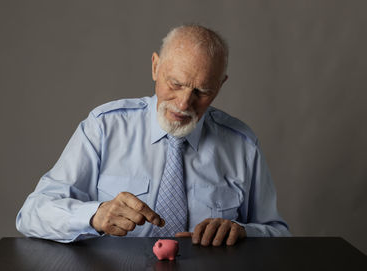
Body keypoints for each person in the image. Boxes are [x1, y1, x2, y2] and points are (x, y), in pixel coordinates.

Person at [16, 24, 290, 247]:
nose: (184, 103)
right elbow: (31, 215)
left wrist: (241, 231)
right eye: (176, 84)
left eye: (202, 91)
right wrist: (94, 216)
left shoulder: (243, 145)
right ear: (155, 67)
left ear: (220, 85)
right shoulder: (104, 128)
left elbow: (279, 234)